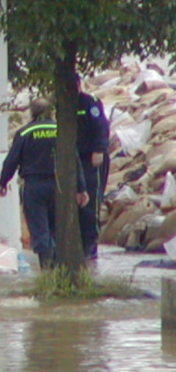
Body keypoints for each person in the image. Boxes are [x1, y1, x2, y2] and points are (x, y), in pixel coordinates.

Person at [0, 98, 89, 269]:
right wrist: (81, 188)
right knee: (57, 229)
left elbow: (12, 160)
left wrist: (3, 182)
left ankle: (46, 270)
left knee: (40, 229)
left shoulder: (25, 133)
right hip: (60, 186)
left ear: (32, 113)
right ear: (51, 112)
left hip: (34, 186)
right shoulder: (61, 131)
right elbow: (74, 161)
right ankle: (59, 270)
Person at [76, 75, 111, 259]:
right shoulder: (61, 104)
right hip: (74, 158)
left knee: (91, 201)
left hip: (92, 158)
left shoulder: (90, 103)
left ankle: (91, 244)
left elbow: (101, 127)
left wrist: (99, 150)